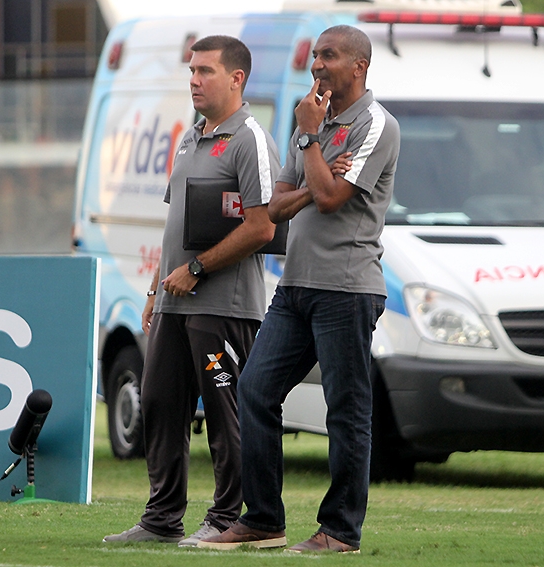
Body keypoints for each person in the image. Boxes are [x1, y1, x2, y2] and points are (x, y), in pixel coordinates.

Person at [199, 25, 400, 553]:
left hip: (347, 288)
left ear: (359, 66)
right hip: (295, 287)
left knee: (345, 411)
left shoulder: (375, 125)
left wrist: (311, 146)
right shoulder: (311, 121)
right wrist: (315, 171)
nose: (317, 66)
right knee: (255, 390)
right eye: (314, 57)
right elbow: (274, 205)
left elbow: (333, 199)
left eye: (328, 57)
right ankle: (264, 518)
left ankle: (340, 530)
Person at [103, 35, 280, 547]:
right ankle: (161, 519)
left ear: (236, 78)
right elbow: (175, 224)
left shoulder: (250, 140)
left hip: (222, 309)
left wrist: (198, 269)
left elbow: (262, 227)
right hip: (175, 304)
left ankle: (228, 518)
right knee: (159, 404)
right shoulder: (190, 137)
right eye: (192, 70)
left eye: (205, 71)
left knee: (226, 412)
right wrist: (159, 287)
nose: (194, 80)